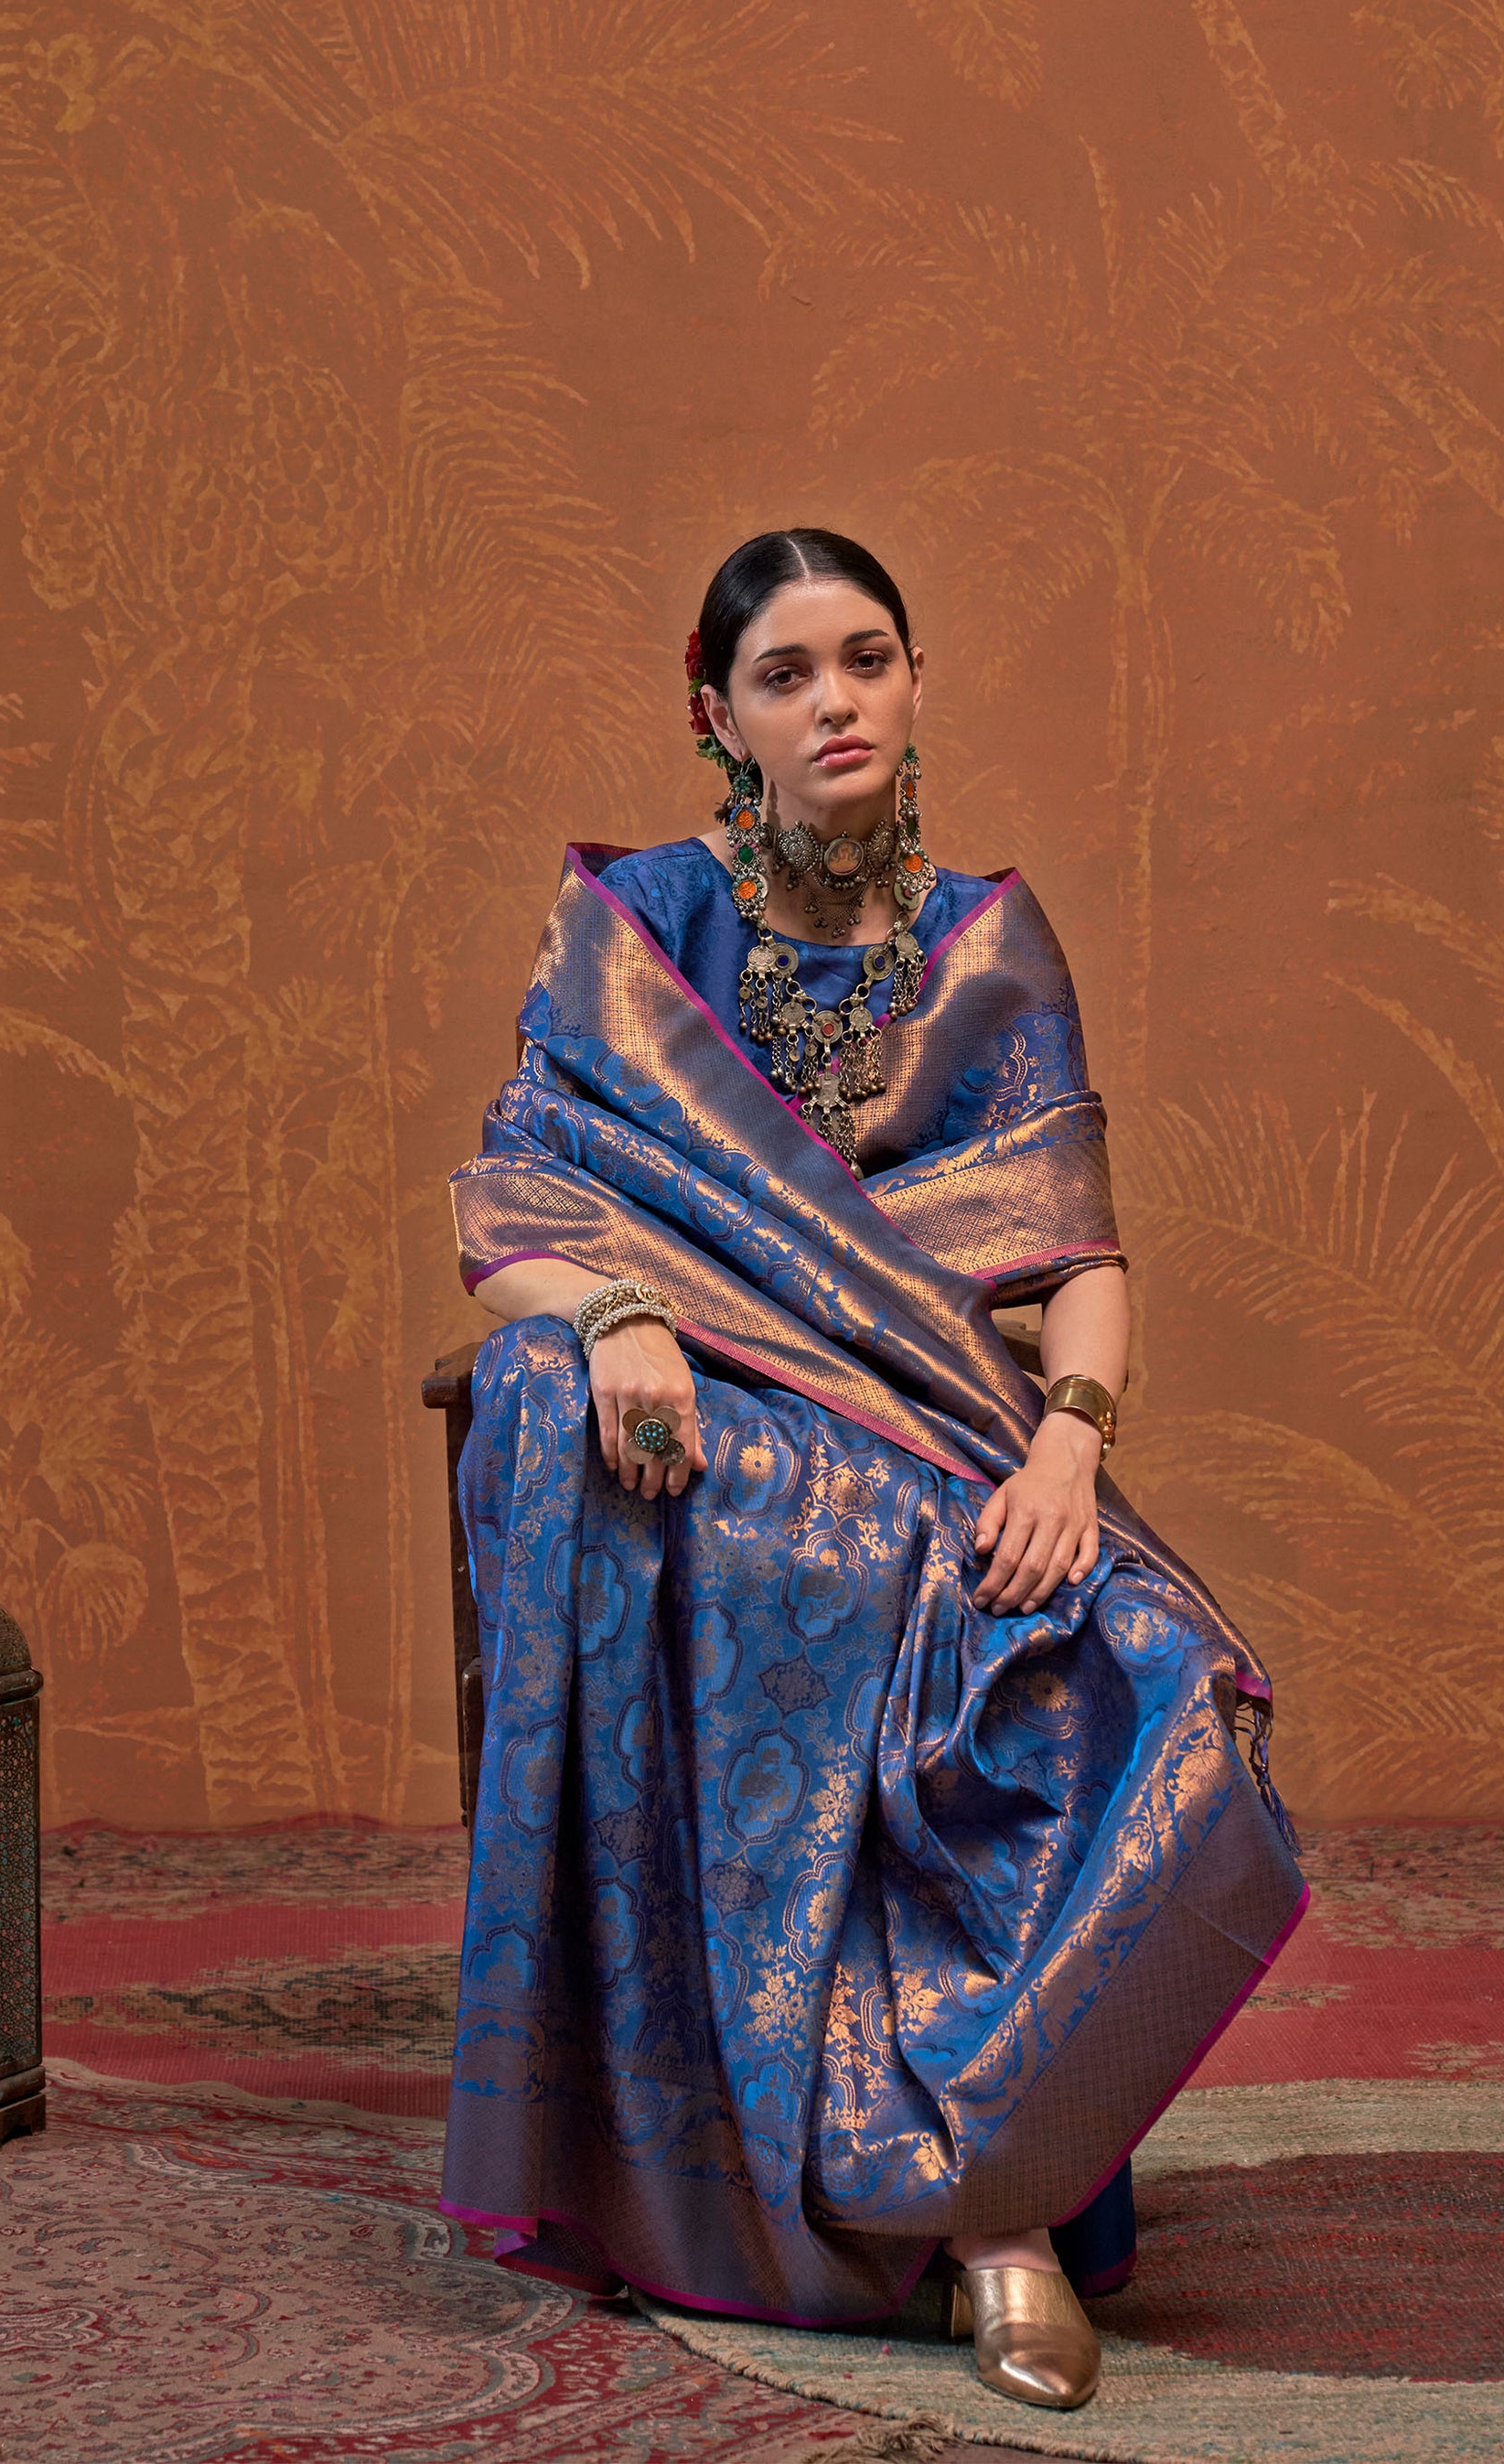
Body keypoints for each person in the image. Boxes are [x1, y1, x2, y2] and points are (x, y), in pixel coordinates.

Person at [439, 529, 1305, 2414]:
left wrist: (1069, 1441)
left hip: (941, 1426)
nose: (833, 701)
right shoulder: (639, 929)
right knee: (777, 1544)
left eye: (867, 658)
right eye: (784, 673)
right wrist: (613, 1313)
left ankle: (993, 2163)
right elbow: (509, 1208)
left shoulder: (988, 944)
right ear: (716, 715)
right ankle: (985, 2237)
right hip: (703, 1438)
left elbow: (1079, 1255)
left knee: (1145, 1664)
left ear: (915, 682)